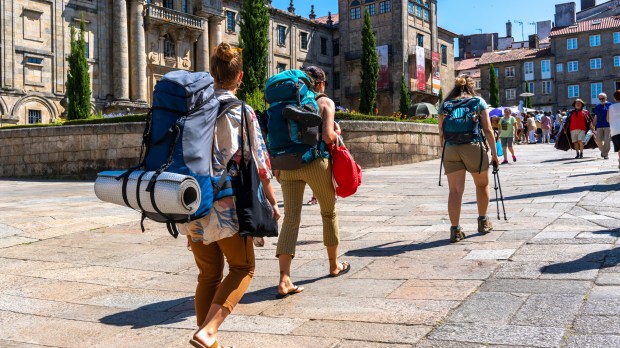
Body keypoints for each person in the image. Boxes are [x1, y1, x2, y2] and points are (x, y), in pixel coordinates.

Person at [184, 42, 280, 348]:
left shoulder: (194, 107)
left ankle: (208, 341)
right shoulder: (241, 110)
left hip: (192, 201)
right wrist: (272, 201)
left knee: (208, 275)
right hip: (225, 203)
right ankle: (209, 331)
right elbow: (260, 161)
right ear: (240, 76)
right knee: (244, 267)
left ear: (212, 73)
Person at [275, 65, 349, 299]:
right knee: (329, 213)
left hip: (287, 164)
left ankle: (284, 278)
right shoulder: (324, 102)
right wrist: (338, 132)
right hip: (315, 162)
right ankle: (334, 265)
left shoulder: (287, 99)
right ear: (321, 84)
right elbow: (327, 136)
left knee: (291, 220)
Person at [438, 74, 499, 243]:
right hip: (473, 146)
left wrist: (445, 151)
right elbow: (487, 129)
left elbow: (441, 133)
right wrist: (494, 154)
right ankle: (483, 221)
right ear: (472, 87)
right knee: (482, 184)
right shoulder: (477, 102)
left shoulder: (446, 104)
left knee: (455, 191)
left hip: (450, 148)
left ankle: (455, 230)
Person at [594, 92, 612, 159]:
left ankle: (605, 154)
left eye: (603, 98)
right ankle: (604, 151)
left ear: (606, 98)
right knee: (598, 140)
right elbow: (595, 116)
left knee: (607, 140)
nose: (601, 99)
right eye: (600, 98)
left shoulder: (610, 105)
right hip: (599, 125)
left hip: (608, 125)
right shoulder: (597, 106)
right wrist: (593, 125)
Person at [608, 90, 620, 170]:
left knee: (619, 147)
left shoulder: (610, 107)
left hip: (615, 130)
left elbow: (608, 119)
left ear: (615, 99)